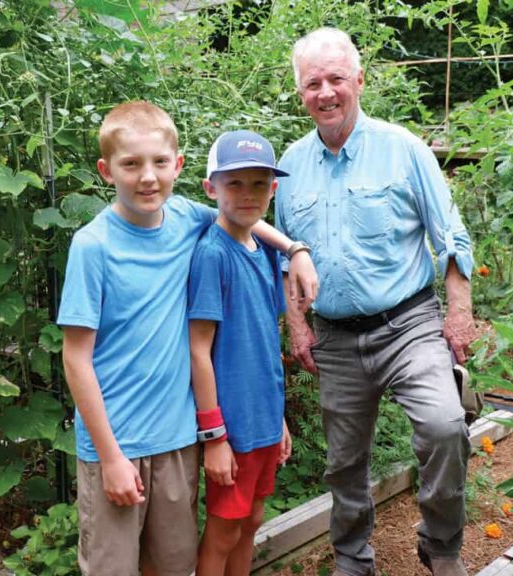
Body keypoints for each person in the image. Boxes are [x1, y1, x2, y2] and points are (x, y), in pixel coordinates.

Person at [57, 101, 317, 576]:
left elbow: (243, 212)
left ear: (177, 165)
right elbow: (76, 359)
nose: (147, 177)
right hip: (117, 443)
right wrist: (111, 457)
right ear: (105, 170)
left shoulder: (183, 216)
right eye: (131, 164)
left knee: (174, 565)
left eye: (159, 162)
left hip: (178, 440)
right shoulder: (92, 246)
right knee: (112, 568)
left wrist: (295, 249)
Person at [274, 29, 479, 576]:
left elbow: (451, 236)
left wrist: (458, 313)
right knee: (343, 462)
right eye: (312, 83)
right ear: (300, 93)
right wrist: (298, 327)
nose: (325, 92)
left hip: (408, 322)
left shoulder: (403, 149)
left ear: (359, 81)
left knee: (443, 425)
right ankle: (352, 557)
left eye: (336, 78)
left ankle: (440, 544)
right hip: (335, 335)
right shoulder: (289, 169)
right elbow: (283, 261)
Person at [188, 130, 295, 576]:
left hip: (264, 421)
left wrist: (280, 419)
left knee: (251, 520)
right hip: (232, 428)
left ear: (272, 189)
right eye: (234, 184)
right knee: (224, 529)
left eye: (258, 184)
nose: (247, 195)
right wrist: (214, 438)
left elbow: (265, 339)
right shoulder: (212, 254)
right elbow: (198, 350)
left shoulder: (265, 251)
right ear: (210, 188)